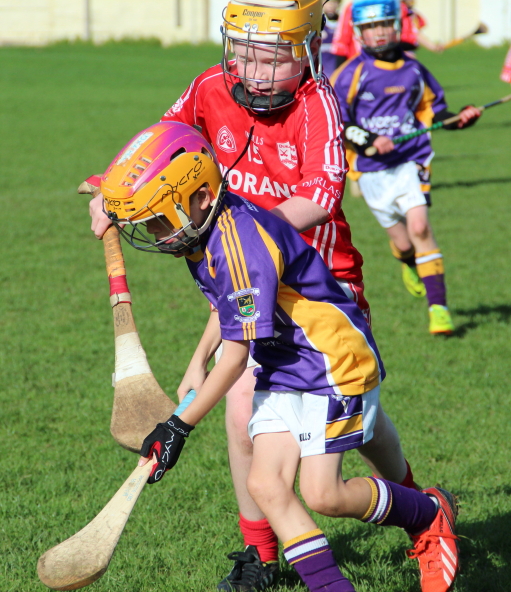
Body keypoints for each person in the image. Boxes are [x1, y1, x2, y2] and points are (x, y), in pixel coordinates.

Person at [89, 1, 420, 588]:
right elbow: (163, 141)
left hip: (321, 284)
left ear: (304, 50)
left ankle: (415, 505)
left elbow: (320, 195)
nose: (253, 69)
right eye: (242, 52)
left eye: (270, 57)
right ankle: (262, 556)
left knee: (358, 419)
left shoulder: (318, 104)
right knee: (244, 413)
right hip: (238, 269)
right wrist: (117, 193)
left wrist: (242, 233)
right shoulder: (209, 87)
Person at [100, 120, 460, 592]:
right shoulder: (205, 233)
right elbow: (228, 310)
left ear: (202, 197)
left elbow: (235, 356)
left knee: (323, 494)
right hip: (285, 363)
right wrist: (195, 361)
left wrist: (178, 427)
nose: (155, 232)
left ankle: (429, 514)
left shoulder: (238, 242)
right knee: (266, 486)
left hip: (332, 362)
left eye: (160, 219)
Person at [331, 0, 481, 335]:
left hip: (412, 160)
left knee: (420, 228)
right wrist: (368, 139)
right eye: (370, 27)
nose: (378, 32)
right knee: (402, 241)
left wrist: (461, 118)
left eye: (384, 24)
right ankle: (407, 261)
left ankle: (438, 308)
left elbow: (436, 112)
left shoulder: (415, 70)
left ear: (398, 27)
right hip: (370, 168)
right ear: (358, 33)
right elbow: (337, 122)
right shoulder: (349, 73)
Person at [330, 0, 443, 68]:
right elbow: (341, 43)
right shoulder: (353, 8)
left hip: (393, 65)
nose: (379, 32)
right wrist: (339, 72)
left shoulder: (396, 6)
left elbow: (410, 35)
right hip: (360, 66)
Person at [321, 1, 342, 79]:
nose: (330, 5)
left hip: (339, 72)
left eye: (334, 2)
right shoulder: (318, 24)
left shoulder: (343, 23)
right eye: (327, 2)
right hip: (322, 72)